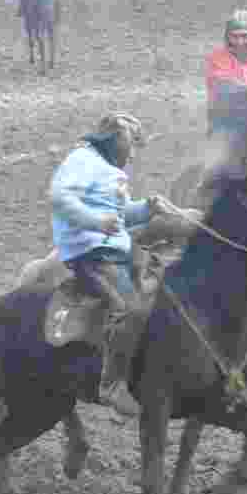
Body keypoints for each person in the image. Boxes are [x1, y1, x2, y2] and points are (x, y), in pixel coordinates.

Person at [50, 113, 160, 400]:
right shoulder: (82, 160)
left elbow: (122, 215)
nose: (133, 155)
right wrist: (96, 221)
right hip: (90, 253)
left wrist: (147, 209)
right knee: (130, 310)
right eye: (132, 146)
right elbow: (60, 198)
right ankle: (112, 384)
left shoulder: (110, 171)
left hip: (110, 249)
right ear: (117, 140)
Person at [204, 9, 247, 146]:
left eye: (244, 36)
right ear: (227, 38)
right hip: (226, 127)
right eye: (234, 36)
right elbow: (223, 87)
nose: (239, 42)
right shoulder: (216, 59)